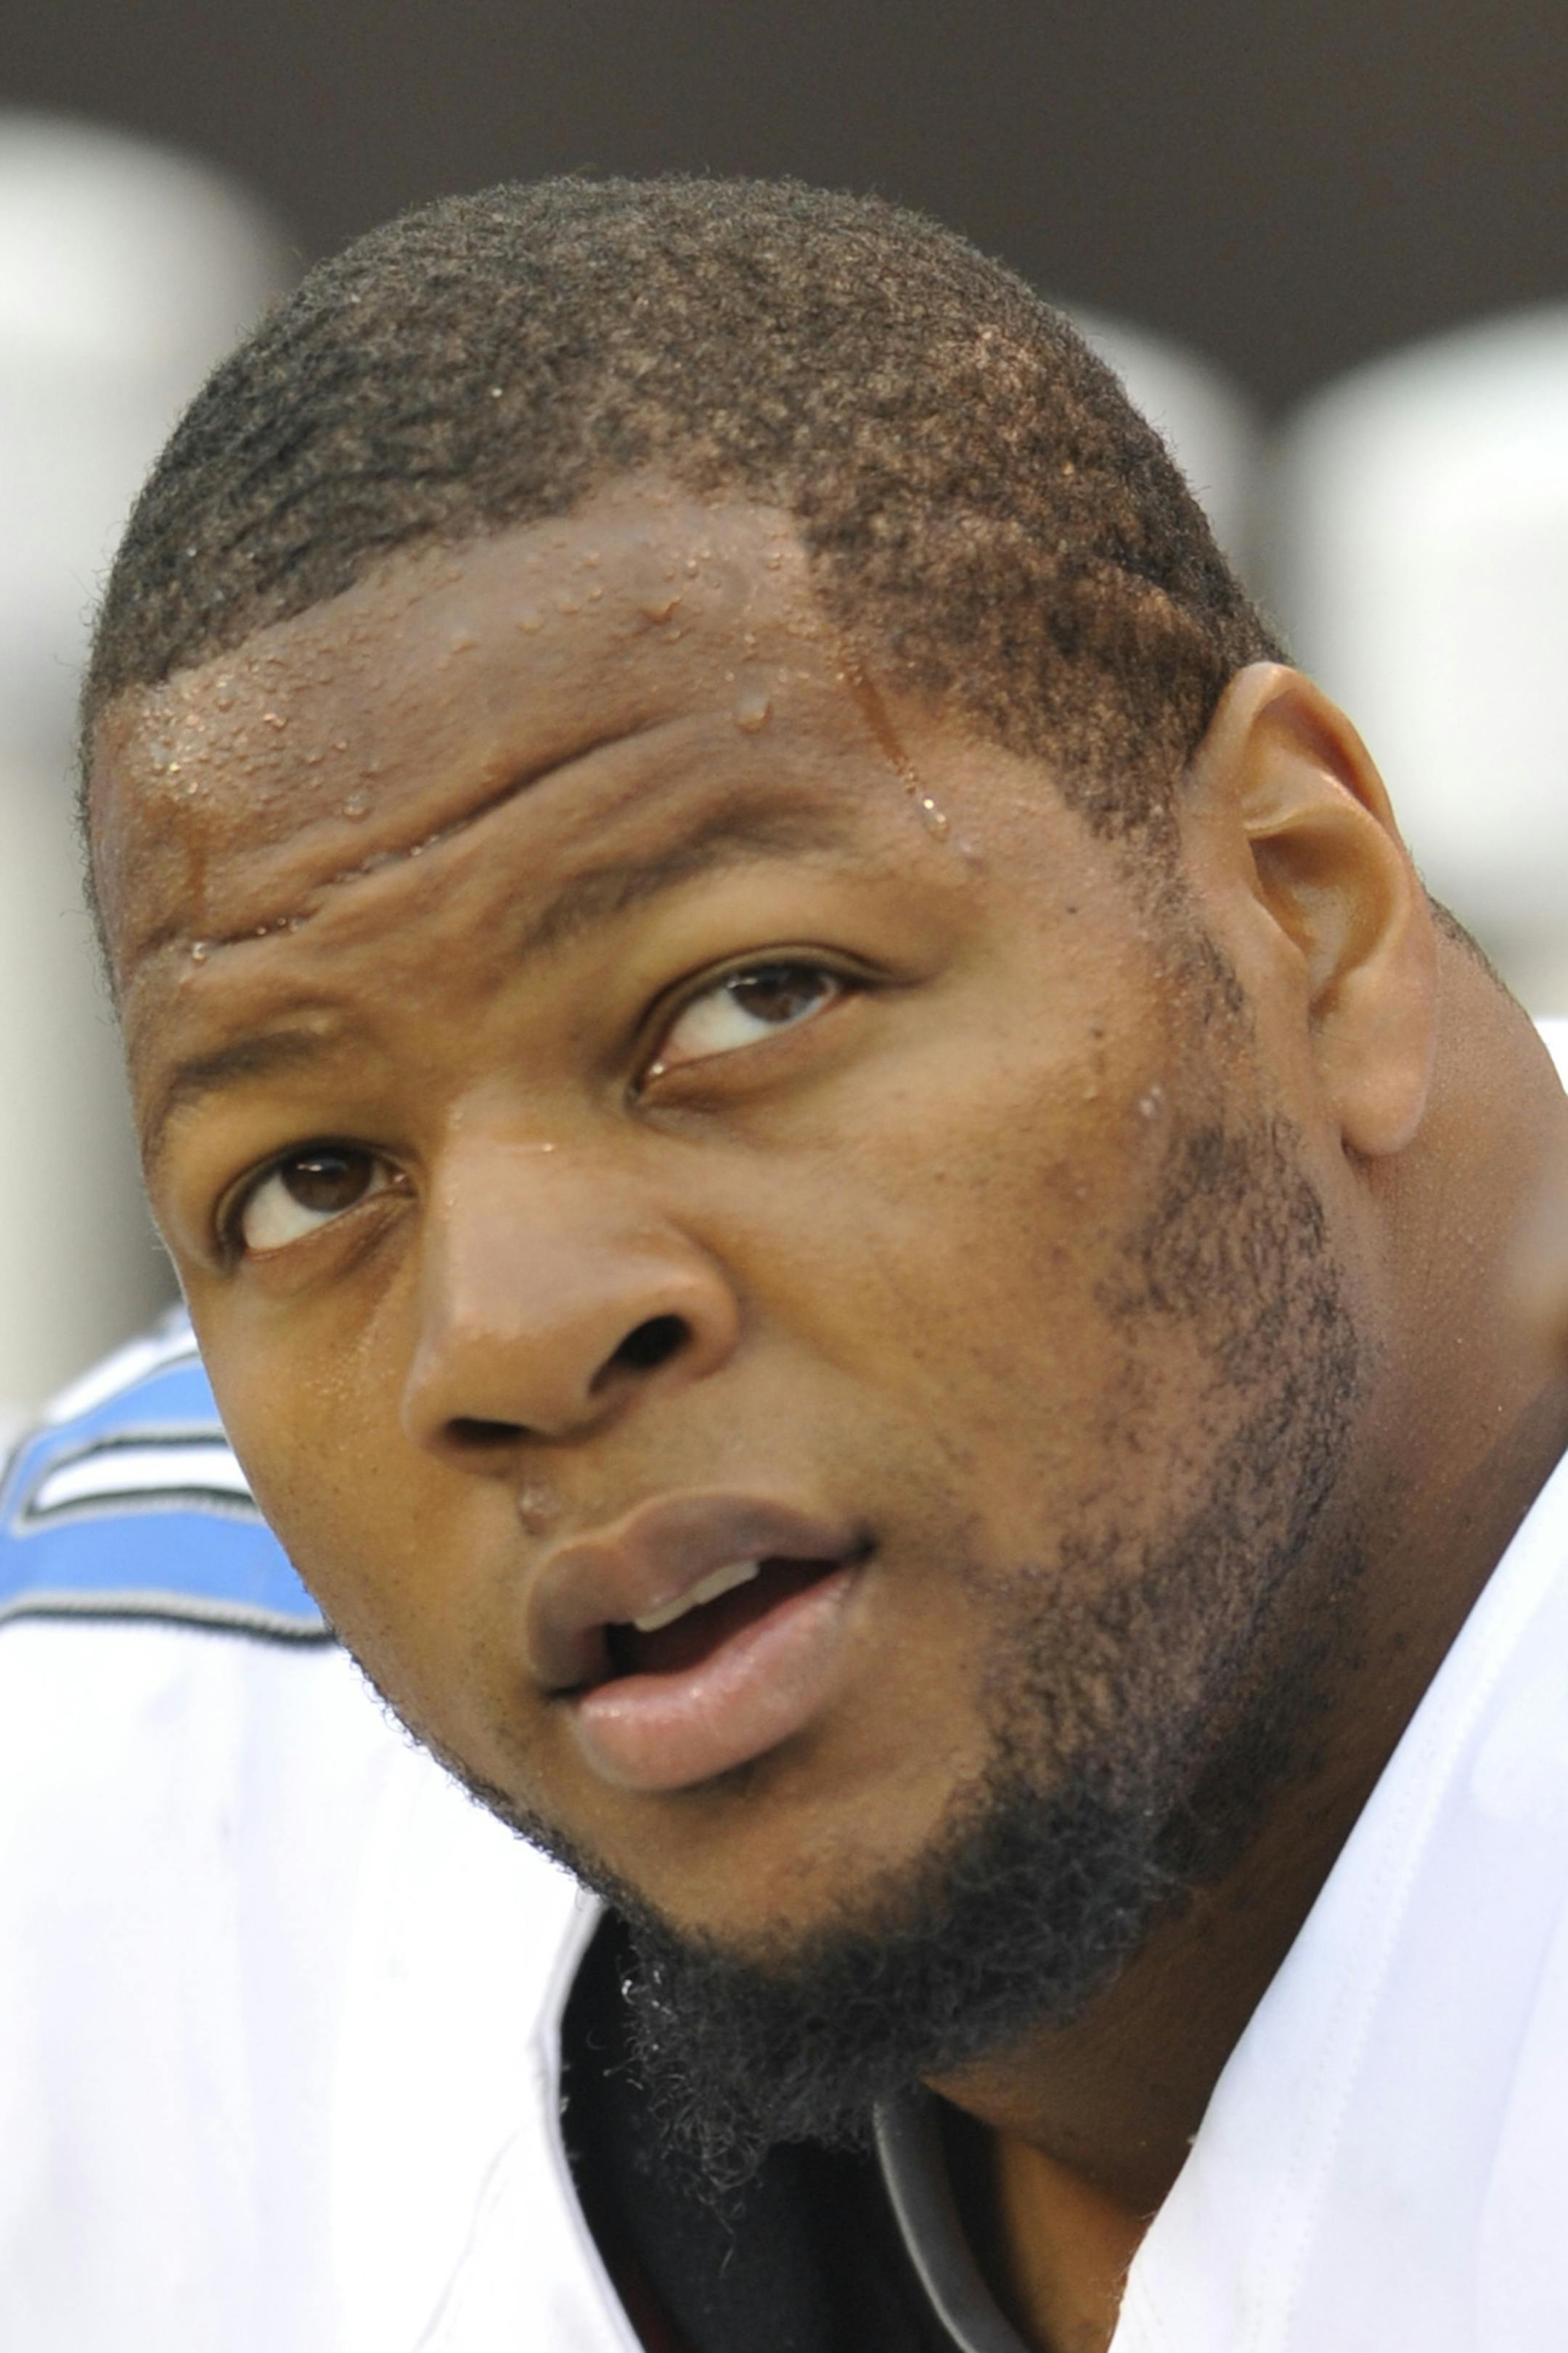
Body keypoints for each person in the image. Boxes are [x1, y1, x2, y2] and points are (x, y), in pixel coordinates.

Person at [12, 176, 1568, 2352]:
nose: (515, 1332)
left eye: (751, 999)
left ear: (1305, 906)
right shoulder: (126, 1787)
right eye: (311, 1177)